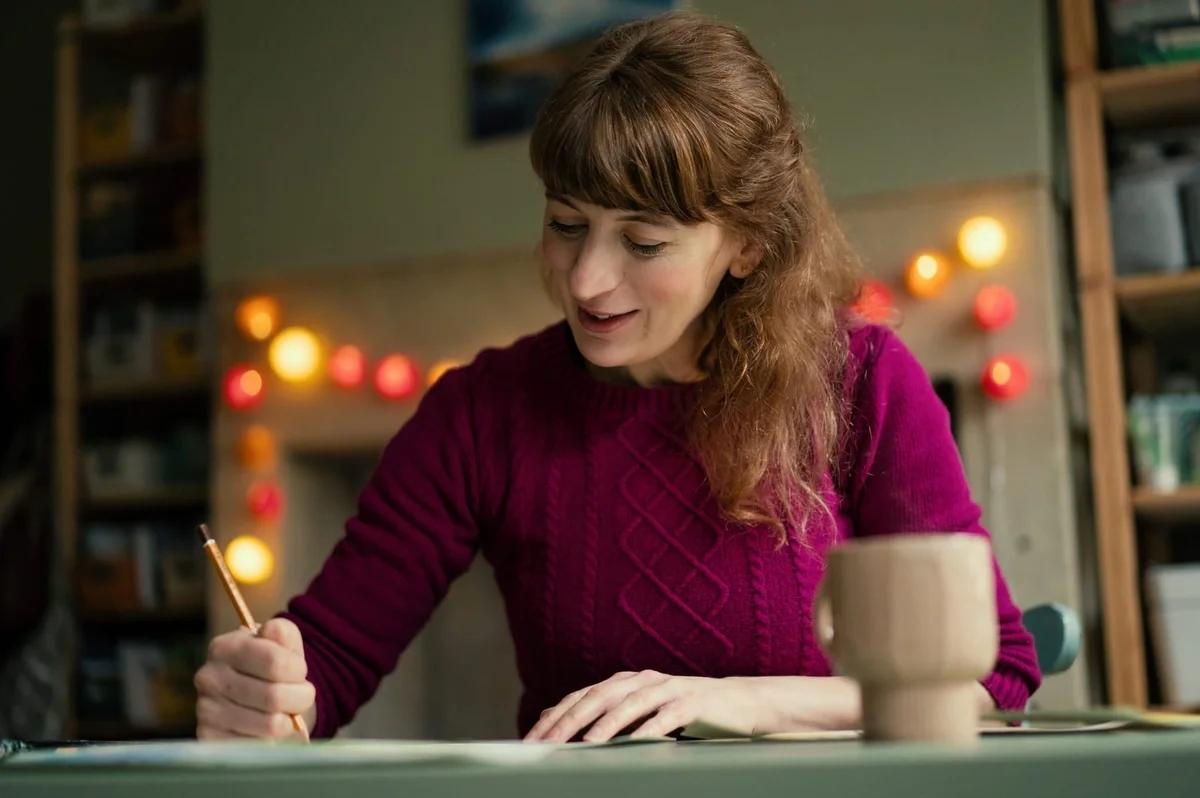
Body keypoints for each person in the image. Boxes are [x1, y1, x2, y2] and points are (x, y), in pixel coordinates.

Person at [194, 11, 1040, 744]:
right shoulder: (478, 415)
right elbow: (329, 662)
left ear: (746, 244)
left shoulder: (862, 382)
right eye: (567, 224)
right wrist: (264, 697)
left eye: (643, 242)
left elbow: (994, 682)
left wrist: (739, 705)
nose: (587, 279)